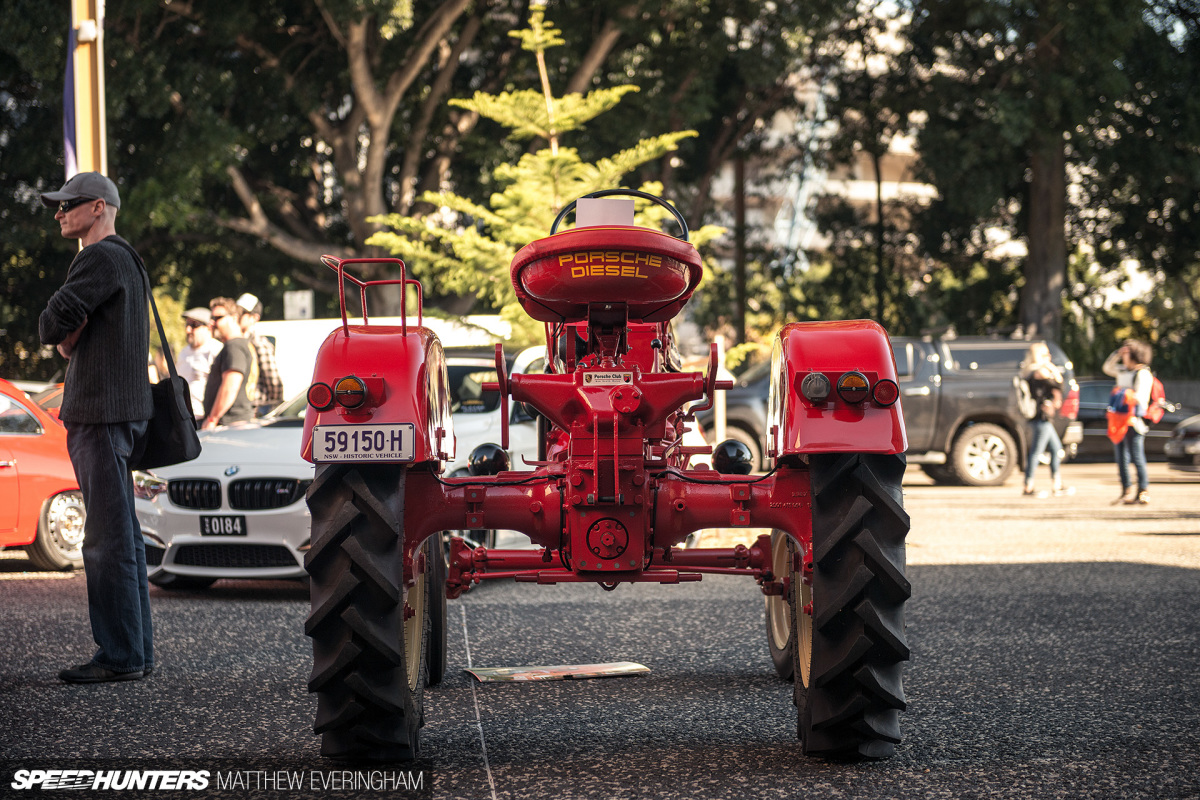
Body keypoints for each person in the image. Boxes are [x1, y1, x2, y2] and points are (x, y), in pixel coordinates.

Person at [36, 171, 154, 683]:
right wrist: (68, 338)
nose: (60, 213)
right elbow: (69, 335)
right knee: (124, 537)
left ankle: (119, 656)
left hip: (99, 415)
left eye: (69, 204)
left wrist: (62, 335)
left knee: (105, 540)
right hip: (121, 414)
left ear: (98, 208)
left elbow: (51, 325)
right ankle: (137, 653)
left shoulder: (97, 257)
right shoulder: (129, 257)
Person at [1103, 339, 1153, 505]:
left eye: (1126, 354)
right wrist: (1117, 354)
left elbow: (1141, 397)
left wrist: (1123, 394)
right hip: (1118, 419)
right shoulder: (1123, 370)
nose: (1124, 357)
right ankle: (1126, 489)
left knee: (1137, 456)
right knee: (1121, 457)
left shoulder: (1143, 373)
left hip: (1133, 420)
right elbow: (1107, 368)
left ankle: (1143, 490)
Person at [1019, 342, 1071, 498]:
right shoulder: (1039, 371)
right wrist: (1051, 366)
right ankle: (1029, 486)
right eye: (1046, 354)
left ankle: (1057, 484)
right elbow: (1059, 384)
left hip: (1042, 417)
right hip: (1041, 417)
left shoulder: (1028, 371)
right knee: (1036, 452)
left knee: (1056, 450)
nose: (1049, 357)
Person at [201, 297, 256, 429]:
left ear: (234, 317)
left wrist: (213, 419)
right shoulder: (239, 344)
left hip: (230, 424)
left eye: (218, 318)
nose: (212, 322)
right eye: (212, 318)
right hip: (233, 422)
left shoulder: (234, 346)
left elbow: (231, 385)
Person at [235, 292, 283, 415]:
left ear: (255, 317)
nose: (237, 316)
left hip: (256, 410)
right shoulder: (235, 341)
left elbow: (274, 383)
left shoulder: (259, 343)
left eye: (242, 313)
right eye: (236, 312)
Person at [176, 307, 222, 421]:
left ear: (209, 327)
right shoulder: (183, 352)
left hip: (203, 418)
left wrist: (212, 418)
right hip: (183, 417)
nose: (188, 330)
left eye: (194, 325)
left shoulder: (216, 350)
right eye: (186, 325)